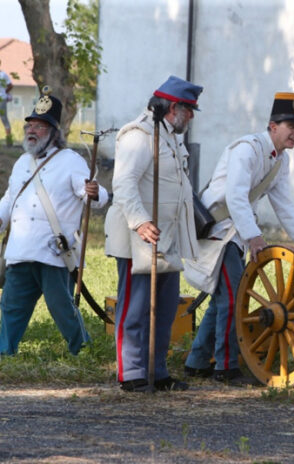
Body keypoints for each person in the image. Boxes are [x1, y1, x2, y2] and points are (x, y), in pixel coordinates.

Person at [184, 87, 294, 384]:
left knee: (224, 297)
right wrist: (254, 237)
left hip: (234, 234)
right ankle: (225, 367)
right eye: (291, 127)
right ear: (273, 126)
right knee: (233, 298)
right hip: (217, 232)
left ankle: (197, 361)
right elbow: (235, 198)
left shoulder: (280, 160)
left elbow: (284, 206)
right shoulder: (247, 149)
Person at [104, 75, 202, 392]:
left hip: (165, 237)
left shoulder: (169, 137)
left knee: (164, 307)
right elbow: (123, 183)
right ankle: (132, 372)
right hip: (139, 237)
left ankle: (156, 371)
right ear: (173, 107)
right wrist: (139, 221)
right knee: (136, 307)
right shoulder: (139, 135)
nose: (190, 117)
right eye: (189, 110)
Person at [0, 89, 107, 355]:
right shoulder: (22, 162)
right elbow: (10, 200)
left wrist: (95, 193)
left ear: (54, 131)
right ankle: (4, 352)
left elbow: (93, 193)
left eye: (40, 126)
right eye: (30, 125)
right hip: (21, 250)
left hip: (54, 252)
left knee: (62, 309)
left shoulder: (71, 161)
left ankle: (81, 349)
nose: (32, 131)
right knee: (11, 306)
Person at [0, 59, 14, 146]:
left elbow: (10, 85)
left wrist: (5, 92)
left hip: (1, 98)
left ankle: (9, 140)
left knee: (4, 118)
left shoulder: (3, 75)